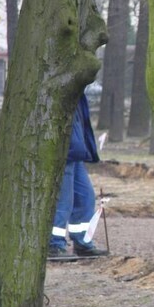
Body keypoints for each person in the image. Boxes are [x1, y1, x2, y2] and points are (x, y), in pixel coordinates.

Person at [48, 93, 109, 258]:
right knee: (63, 201)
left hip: (75, 154)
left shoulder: (78, 93)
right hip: (62, 153)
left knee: (86, 196)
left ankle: (82, 242)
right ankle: (53, 244)